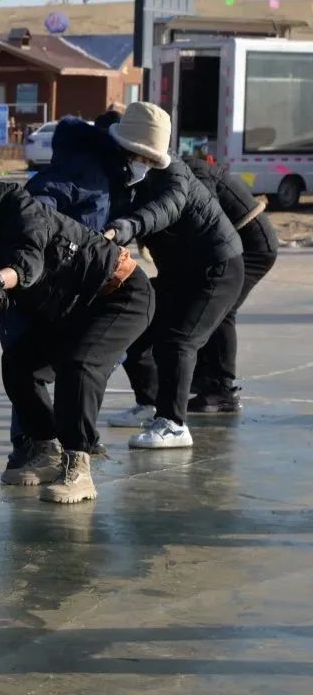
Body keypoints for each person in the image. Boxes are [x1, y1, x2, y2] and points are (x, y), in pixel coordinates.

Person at [0, 148, 154, 502]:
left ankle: (79, 464)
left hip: (120, 293)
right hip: (70, 307)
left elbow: (27, 263)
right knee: (18, 364)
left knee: (80, 365)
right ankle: (47, 450)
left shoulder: (21, 208)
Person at [103, 102, 244, 448]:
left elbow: (164, 209)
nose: (141, 161)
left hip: (217, 268)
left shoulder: (176, 177)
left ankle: (173, 423)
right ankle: (149, 403)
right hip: (179, 272)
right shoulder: (124, 176)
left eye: (148, 156)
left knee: (179, 340)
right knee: (135, 325)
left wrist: (128, 226)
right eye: (136, 154)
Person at [185, 156, 278, 413]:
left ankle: (221, 390)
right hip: (237, 243)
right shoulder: (185, 169)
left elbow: (206, 215)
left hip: (254, 246)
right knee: (212, 305)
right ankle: (206, 379)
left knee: (221, 308)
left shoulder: (194, 172)